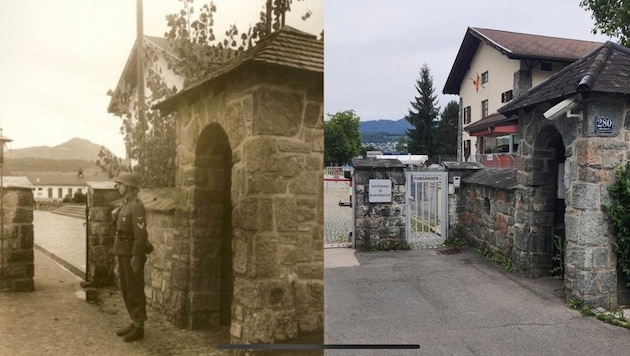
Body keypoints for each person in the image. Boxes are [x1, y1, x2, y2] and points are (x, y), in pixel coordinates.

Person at [112, 172, 148, 342]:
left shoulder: (137, 206)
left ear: (129, 187)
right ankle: (134, 321)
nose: (117, 187)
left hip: (132, 254)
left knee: (135, 289)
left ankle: (139, 326)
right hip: (122, 251)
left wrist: (136, 256)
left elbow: (140, 235)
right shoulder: (125, 205)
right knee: (126, 289)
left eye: (120, 184)